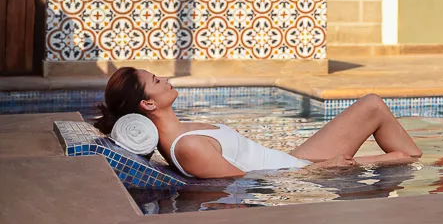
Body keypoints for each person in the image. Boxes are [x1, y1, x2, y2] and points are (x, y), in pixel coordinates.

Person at [95, 67, 422, 179]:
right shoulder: (188, 146)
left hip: (294, 161)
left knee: (372, 105)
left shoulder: (185, 130)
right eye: (156, 80)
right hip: (305, 174)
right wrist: (323, 168)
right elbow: (249, 183)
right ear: (148, 103)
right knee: (407, 157)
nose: (165, 78)